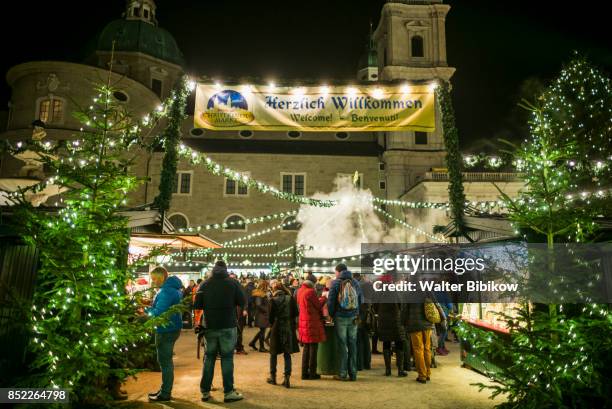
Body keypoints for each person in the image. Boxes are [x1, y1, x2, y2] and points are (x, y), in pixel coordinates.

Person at [194, 261, 246, 403]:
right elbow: (242, 301)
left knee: (209, 357)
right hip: (228, 325)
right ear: (225, 270)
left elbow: (197, 305)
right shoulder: (233, 283)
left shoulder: (204, 284)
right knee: (227, 358)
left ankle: (205, 392)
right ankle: (228, 392)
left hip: (210, 325)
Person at [146, 267, 183, 402]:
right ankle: (164, 390)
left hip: (165, 329)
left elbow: (158, 312)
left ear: (161, 278)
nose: (153, 282)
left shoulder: (166, 291)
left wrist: (145, 310)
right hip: (173, 328)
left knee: (165, 362)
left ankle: (165, 393)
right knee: (166, 361)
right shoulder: (174, 289)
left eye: (155, 279)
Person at [327, 263, 363, 381]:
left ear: (338, 272)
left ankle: (342, 373)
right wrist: (356, 312)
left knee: (342, 345)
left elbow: (331, 302)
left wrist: (332, 315)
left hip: (340, 317)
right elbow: (360, 300)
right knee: (353, 344)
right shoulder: (356, 283)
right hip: (353, 317)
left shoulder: (336, 283)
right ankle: (353, 373)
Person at [267, 281, 300, 388]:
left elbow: (270, 318)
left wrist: (273, 324)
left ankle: (273, 377)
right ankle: (287, 378)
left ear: (274, 290)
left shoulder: (272, 300)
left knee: (273, 353)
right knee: (287, 353)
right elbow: (296, 312)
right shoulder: (290, 299)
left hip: (276, 327)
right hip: (288, 327)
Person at [375, 273, 408, 377]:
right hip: (396, 321)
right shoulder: (396, 291)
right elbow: (401, 306)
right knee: (399, 343)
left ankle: (388, 370)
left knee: (386, 344)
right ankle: (400, 370)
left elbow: (375, 307)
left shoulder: (379, 292)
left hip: (383, 321)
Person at [296, 279, 326, 380]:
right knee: (313, 349)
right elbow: (318, 305)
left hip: (303, 322)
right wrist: (323, 298)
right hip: (312, 322)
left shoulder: (300, 291)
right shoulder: (311, 292)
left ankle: (304, 373)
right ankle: (313, 373)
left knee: (306, 349)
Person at [405, 296, 434, 384]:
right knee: (427, 348)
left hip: (415, 326)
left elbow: (405, 310)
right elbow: (436, 304)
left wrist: (403, 323)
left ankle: (422, 375)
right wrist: (443, 318)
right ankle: (428, 373)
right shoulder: (427, 291)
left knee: (418, 349)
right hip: (427, 325)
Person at [248, 281, 270, 352]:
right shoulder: (259, 294)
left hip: (261, 314)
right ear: (264, 286)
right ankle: (261, 347)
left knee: (262, 331)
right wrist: (266, 310)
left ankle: (252, 343)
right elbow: (258, 305)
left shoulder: (259, 293)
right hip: (261, 315)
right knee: (262, 331)